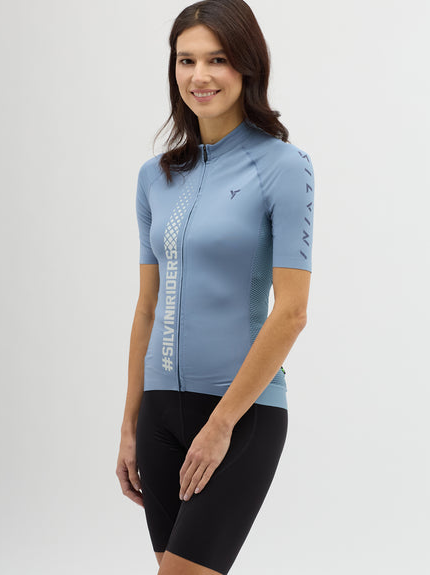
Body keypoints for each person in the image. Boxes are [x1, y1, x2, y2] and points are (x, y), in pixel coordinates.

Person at [116, 0, 315, 573]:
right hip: (158, 414)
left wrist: (221, 424)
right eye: (187, 60)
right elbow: (147, 308)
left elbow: (292, 312)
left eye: (218, 59)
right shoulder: (154, 177)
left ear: (248, 66)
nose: (199, 76)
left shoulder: (284, 166)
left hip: (240, 413)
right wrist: (130, 425)